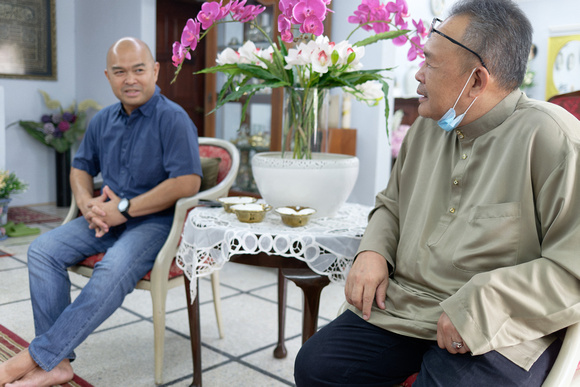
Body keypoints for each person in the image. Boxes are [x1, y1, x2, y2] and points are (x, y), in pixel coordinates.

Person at [294, 0, 580, 386]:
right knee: (317, 366)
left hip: (501, 325)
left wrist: (482, 303)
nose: (418, 74)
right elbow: (391, 203)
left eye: (430, 63)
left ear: (476, 80)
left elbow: (571, 269)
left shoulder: (554, 140)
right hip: (409, 306)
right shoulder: (427, 128)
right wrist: (373, 249)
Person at [0, 37, 202, 387]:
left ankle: (37, 356)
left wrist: (125, 208)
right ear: (108, 76)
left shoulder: (173, 119)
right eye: (120, 71)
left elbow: (187, 183)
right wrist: (86, 203)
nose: (130, 79)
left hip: (156, 223)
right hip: (105, 218)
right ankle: (59, 363)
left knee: (109, 270)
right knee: (42, 250)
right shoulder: (103, 120)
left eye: (139, 70)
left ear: (154, 71)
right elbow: (80, 168)